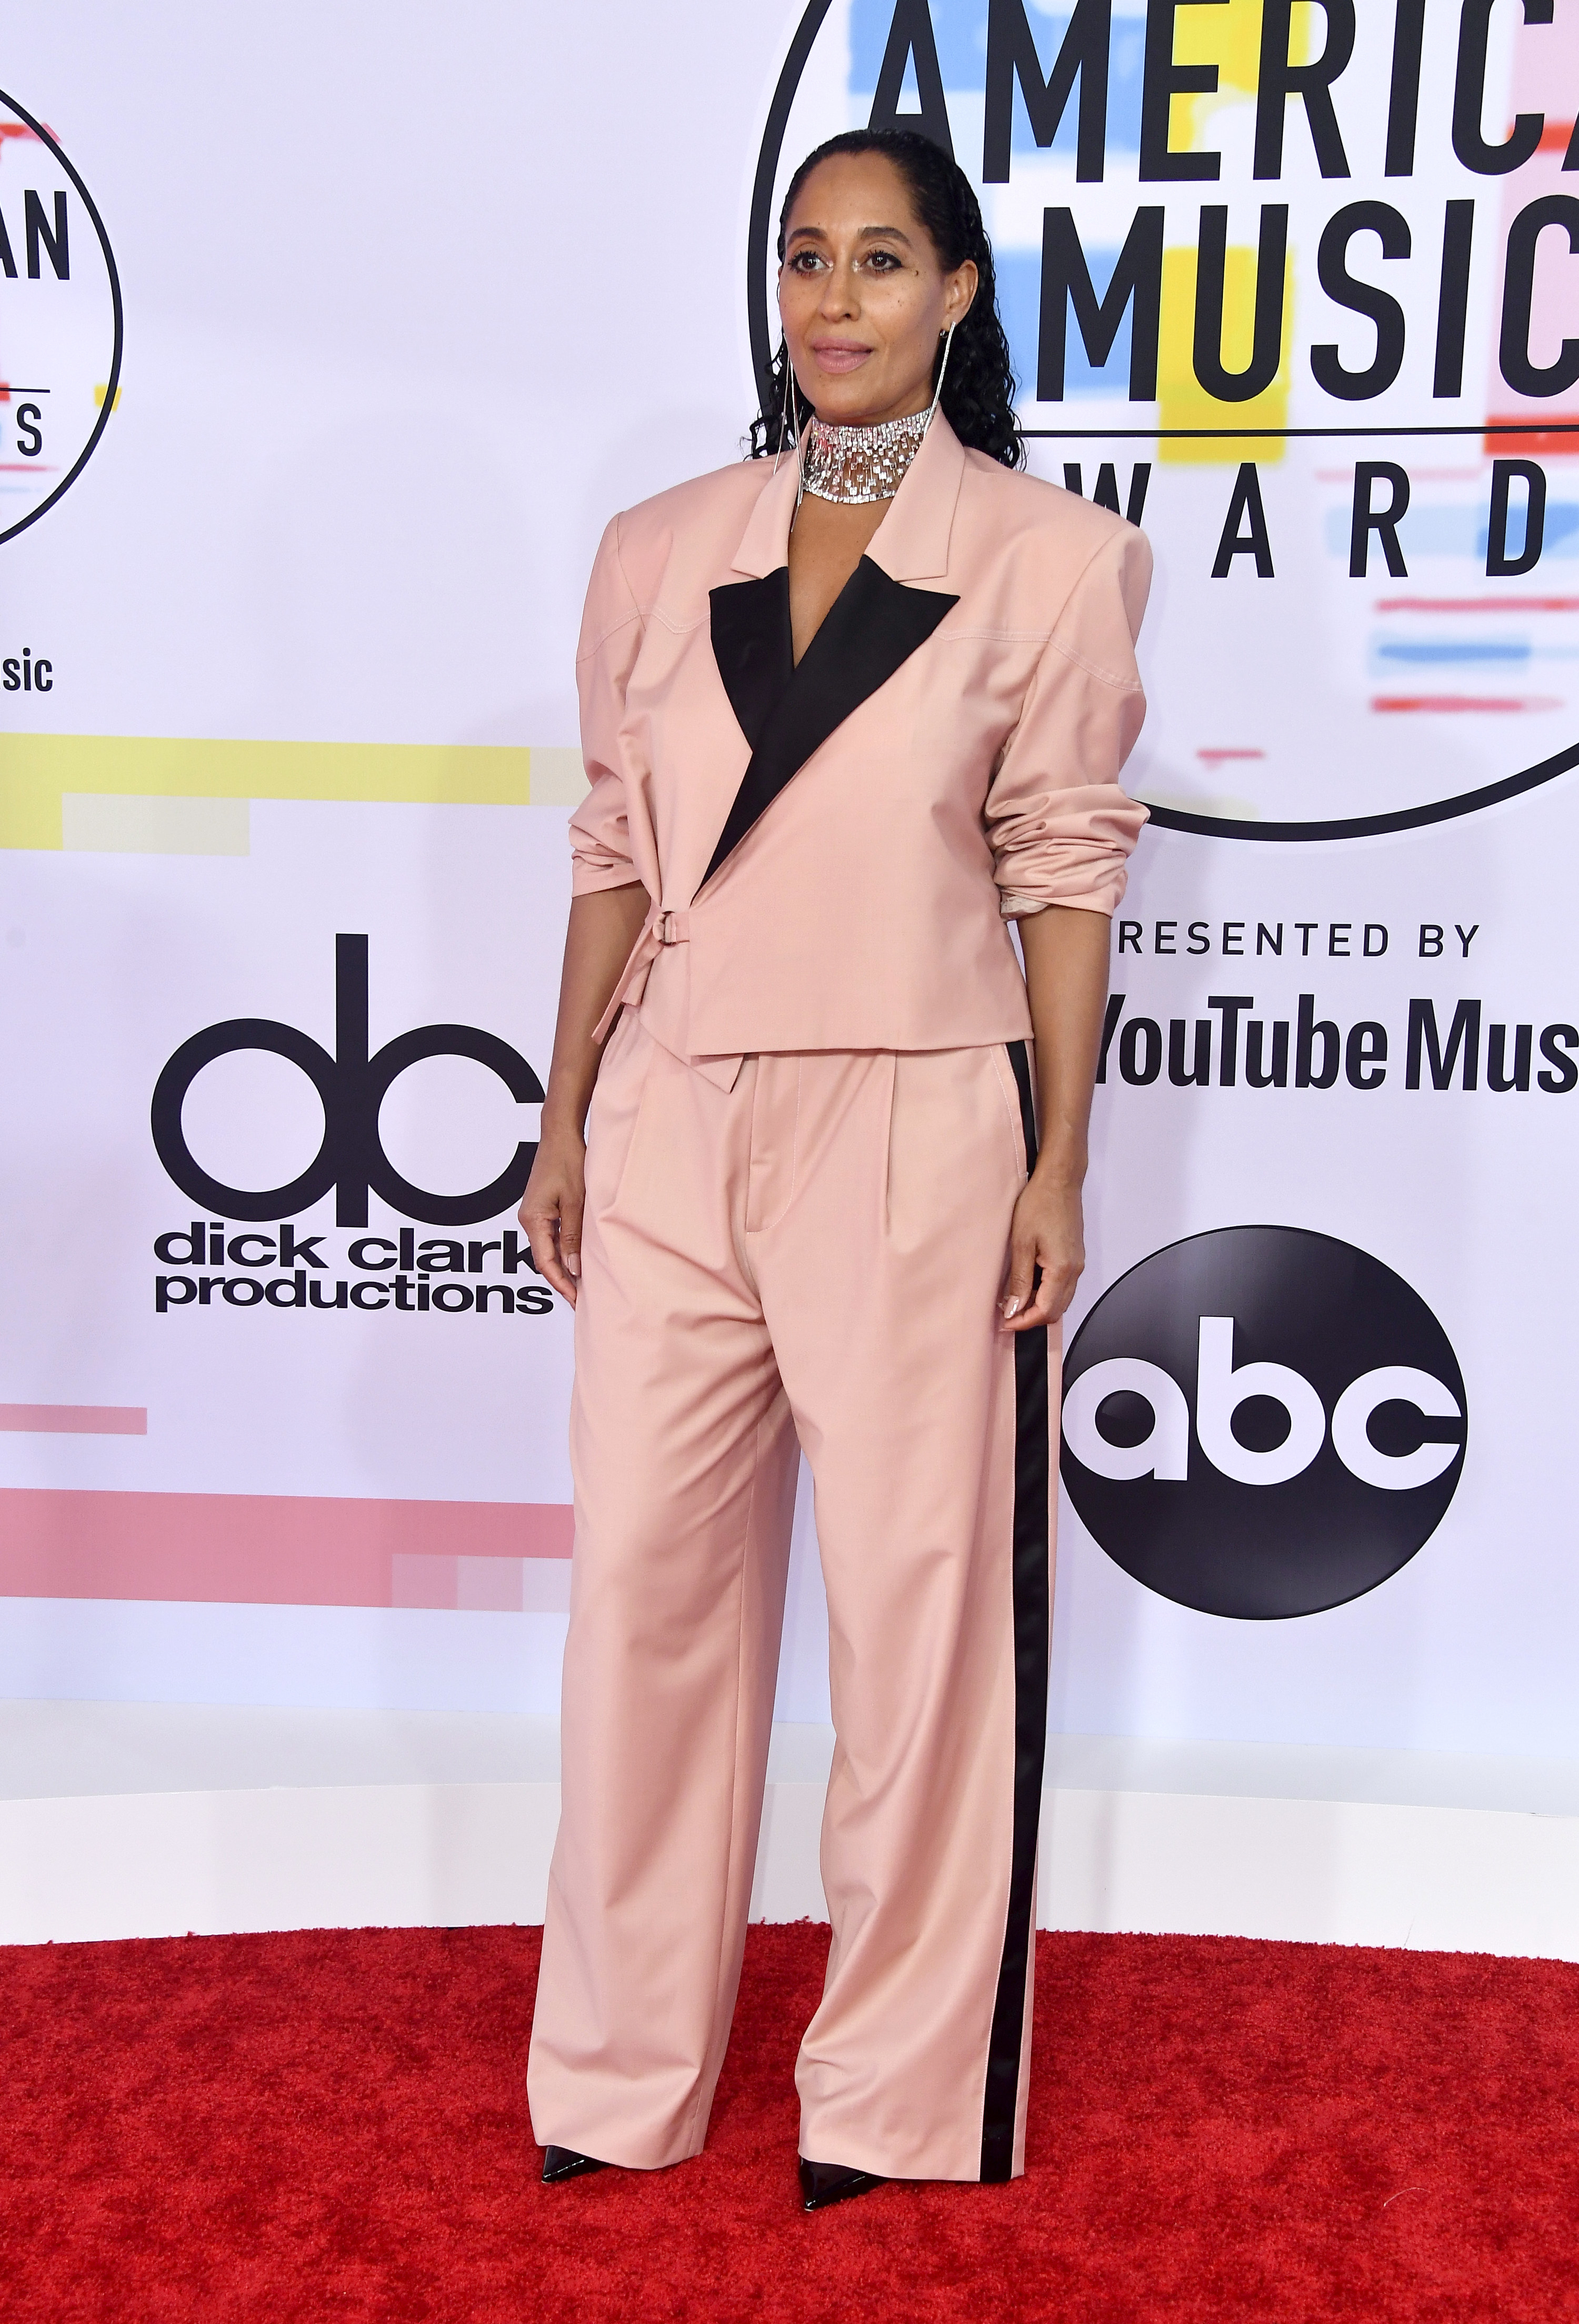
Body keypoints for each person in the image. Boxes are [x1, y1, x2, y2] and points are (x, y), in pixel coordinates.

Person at [519, 126, 1150, 2211]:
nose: (838, 300)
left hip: (918, 1120)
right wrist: (563, 1106)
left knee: (915, 1622)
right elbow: (616, 844)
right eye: (807, 258)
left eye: (886, 261)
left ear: (961, 297)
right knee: (641, 1602)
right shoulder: (653, 545)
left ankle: (887, 2097)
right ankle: (617, 2075)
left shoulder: (1051, 559)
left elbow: (1064, 871)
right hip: (680, 1115)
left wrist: (1060, 1159)